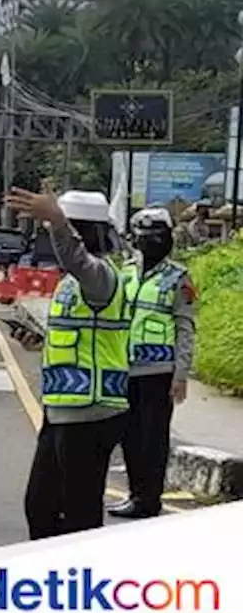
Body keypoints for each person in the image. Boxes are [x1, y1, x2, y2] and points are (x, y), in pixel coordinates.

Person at [4, 183, 132, 541]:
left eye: (55, 227)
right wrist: (39, 341)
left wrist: (57, 220)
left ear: (82, 231)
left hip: (91, 412)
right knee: (40, 506)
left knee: (79, 514)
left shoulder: (100, 278)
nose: (49, 235)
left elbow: (76, 258)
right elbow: (79, 338)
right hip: (62, 409)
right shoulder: (70, 285)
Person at [108, 207, 196, 519]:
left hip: (160, 373)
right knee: (129, 437)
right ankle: (135, 495)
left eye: (157, 236)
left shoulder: (178, 278)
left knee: (153, 439)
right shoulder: (126, 272)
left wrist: (181, 374)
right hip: (124, 368)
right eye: (145, 237)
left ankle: (150, 500)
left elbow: (185, 328)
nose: (151, 242)